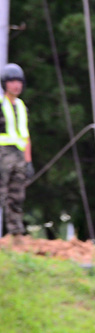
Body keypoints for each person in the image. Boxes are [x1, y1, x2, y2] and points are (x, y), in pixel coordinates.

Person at [0, 63, 32, 237]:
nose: (16, 85)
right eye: (12, 81)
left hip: (18, 157)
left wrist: (28, 161)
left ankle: (16, 235)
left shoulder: (21, 106)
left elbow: (26, 136)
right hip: (2, 154)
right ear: (5, 83)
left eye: (19, 81)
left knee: (17, 196)